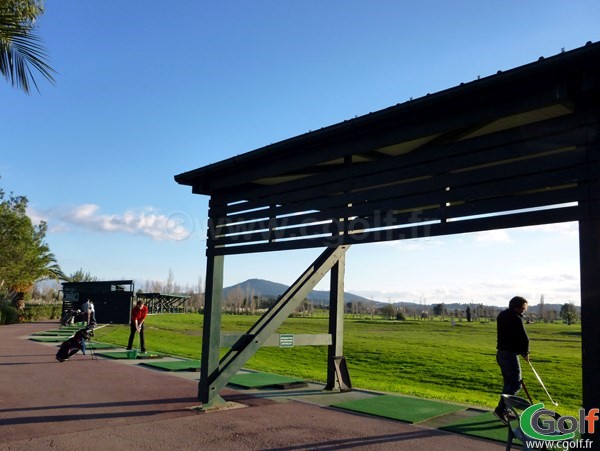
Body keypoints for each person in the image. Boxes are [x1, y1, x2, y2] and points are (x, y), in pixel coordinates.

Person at [494, 296, 530, 424]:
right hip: (509, 355)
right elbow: (523, 337)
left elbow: (512, 336)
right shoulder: (516, 318)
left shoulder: (502, 315)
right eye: (524, 307)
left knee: (508, 384)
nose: (524, 310)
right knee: (516, 383)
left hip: (501, 354)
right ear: (517, 306)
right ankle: (501, 409)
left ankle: (504, 409)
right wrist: (525, 352)